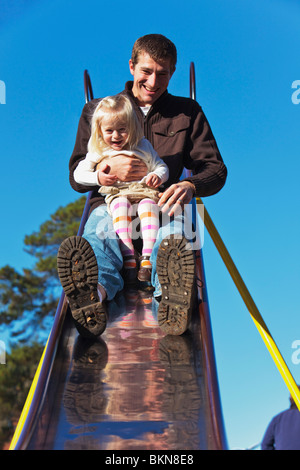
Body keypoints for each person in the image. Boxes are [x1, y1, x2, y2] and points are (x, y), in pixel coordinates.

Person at [57, 33, 227, 339]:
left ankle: (171, 298)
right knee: (98, 236)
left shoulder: (188, 112)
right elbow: (76, 175)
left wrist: (189, 184)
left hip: (159, 202)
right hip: (111, 203)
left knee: (175, 233)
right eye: (146, 71)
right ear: (132, 66)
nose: (153, 81)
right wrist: (106, 170)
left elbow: (215, 169)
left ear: (172, 72)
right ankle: (92, 293)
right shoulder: (101, 110)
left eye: (163, 74)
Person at [73, 94, 169, 284]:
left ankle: (147, 258)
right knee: (120, 208)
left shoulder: (143, 146)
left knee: (149, 208)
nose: (116, 136)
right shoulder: (99, 150)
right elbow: (78, 174)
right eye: (109, 131)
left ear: (132, 128)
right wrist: (97, 177)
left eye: (122, 130)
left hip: (143, 193)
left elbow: (161, 166)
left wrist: (157, 175)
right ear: (100, 131)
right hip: (118, 194)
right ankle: (129, 256)